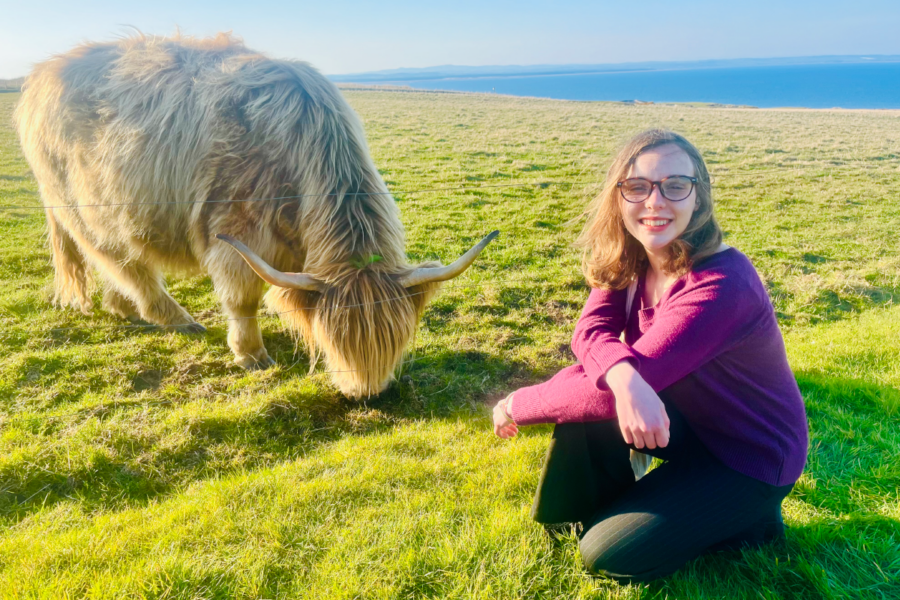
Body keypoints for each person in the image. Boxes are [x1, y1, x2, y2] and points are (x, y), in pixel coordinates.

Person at [492, 129, 808, 582]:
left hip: (749, 456)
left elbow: (600, 393)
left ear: (698, 196)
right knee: (591, 378)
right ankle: (595, 511)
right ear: (618, 197)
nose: (655, 202)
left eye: (675, 185)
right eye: (638, 187)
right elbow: (591, 331)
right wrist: (623, 376)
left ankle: (750, 522)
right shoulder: (635, 256)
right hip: (693, 422)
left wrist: (517, 403)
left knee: (606, 556)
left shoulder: (722, 285)